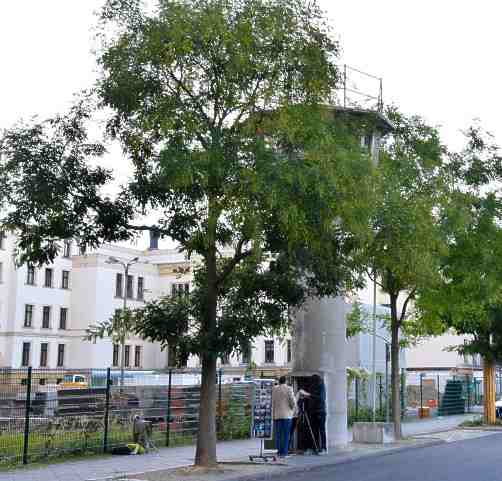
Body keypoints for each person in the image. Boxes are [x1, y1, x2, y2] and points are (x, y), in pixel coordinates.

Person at [272, 376, 296, 457]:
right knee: (286, 435)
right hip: (286, 415)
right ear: (285, 381)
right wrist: (293, 409)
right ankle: (284, 453)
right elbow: (292, 401)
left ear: (279, 381)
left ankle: (279, 451)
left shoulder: (274, 389)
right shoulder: (289, 389)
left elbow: (273, 401)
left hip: (277, 415)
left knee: (278, 434)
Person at [310, 374, 327, 453]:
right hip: (315, 411)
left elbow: (321, 398)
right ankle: (316, 447)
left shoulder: (321, 386)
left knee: (321, 430)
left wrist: (309, 395)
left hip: (320, 411)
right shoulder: (316, 386)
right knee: (315, 430)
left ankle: (323, 448)